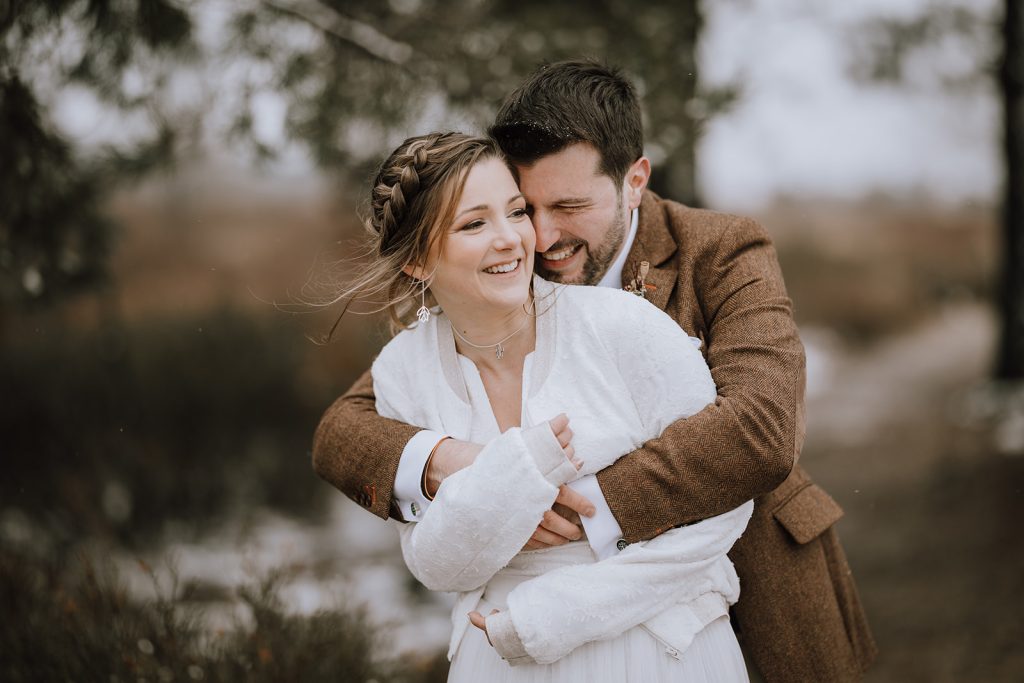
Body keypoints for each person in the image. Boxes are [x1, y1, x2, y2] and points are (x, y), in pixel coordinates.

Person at [314, 60, 877, 681]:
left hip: (756, 578)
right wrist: (453, 461)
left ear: (634, 181)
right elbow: (345, 429)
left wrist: (581, 510)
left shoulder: (721, 251)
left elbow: (760, 429)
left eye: (570, 206)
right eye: (526, 207)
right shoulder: (490, 301)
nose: (542, 237)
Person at [351, 130, 754, 680]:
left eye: (515, 212)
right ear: (418, 262)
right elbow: (434, 562)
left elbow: (724, 505)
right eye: (474, 223)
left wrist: (554, 615)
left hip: (656, 648)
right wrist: (517, 471)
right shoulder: (401, 370)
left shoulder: (622, 326)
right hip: (497, 656)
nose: (514, 239)